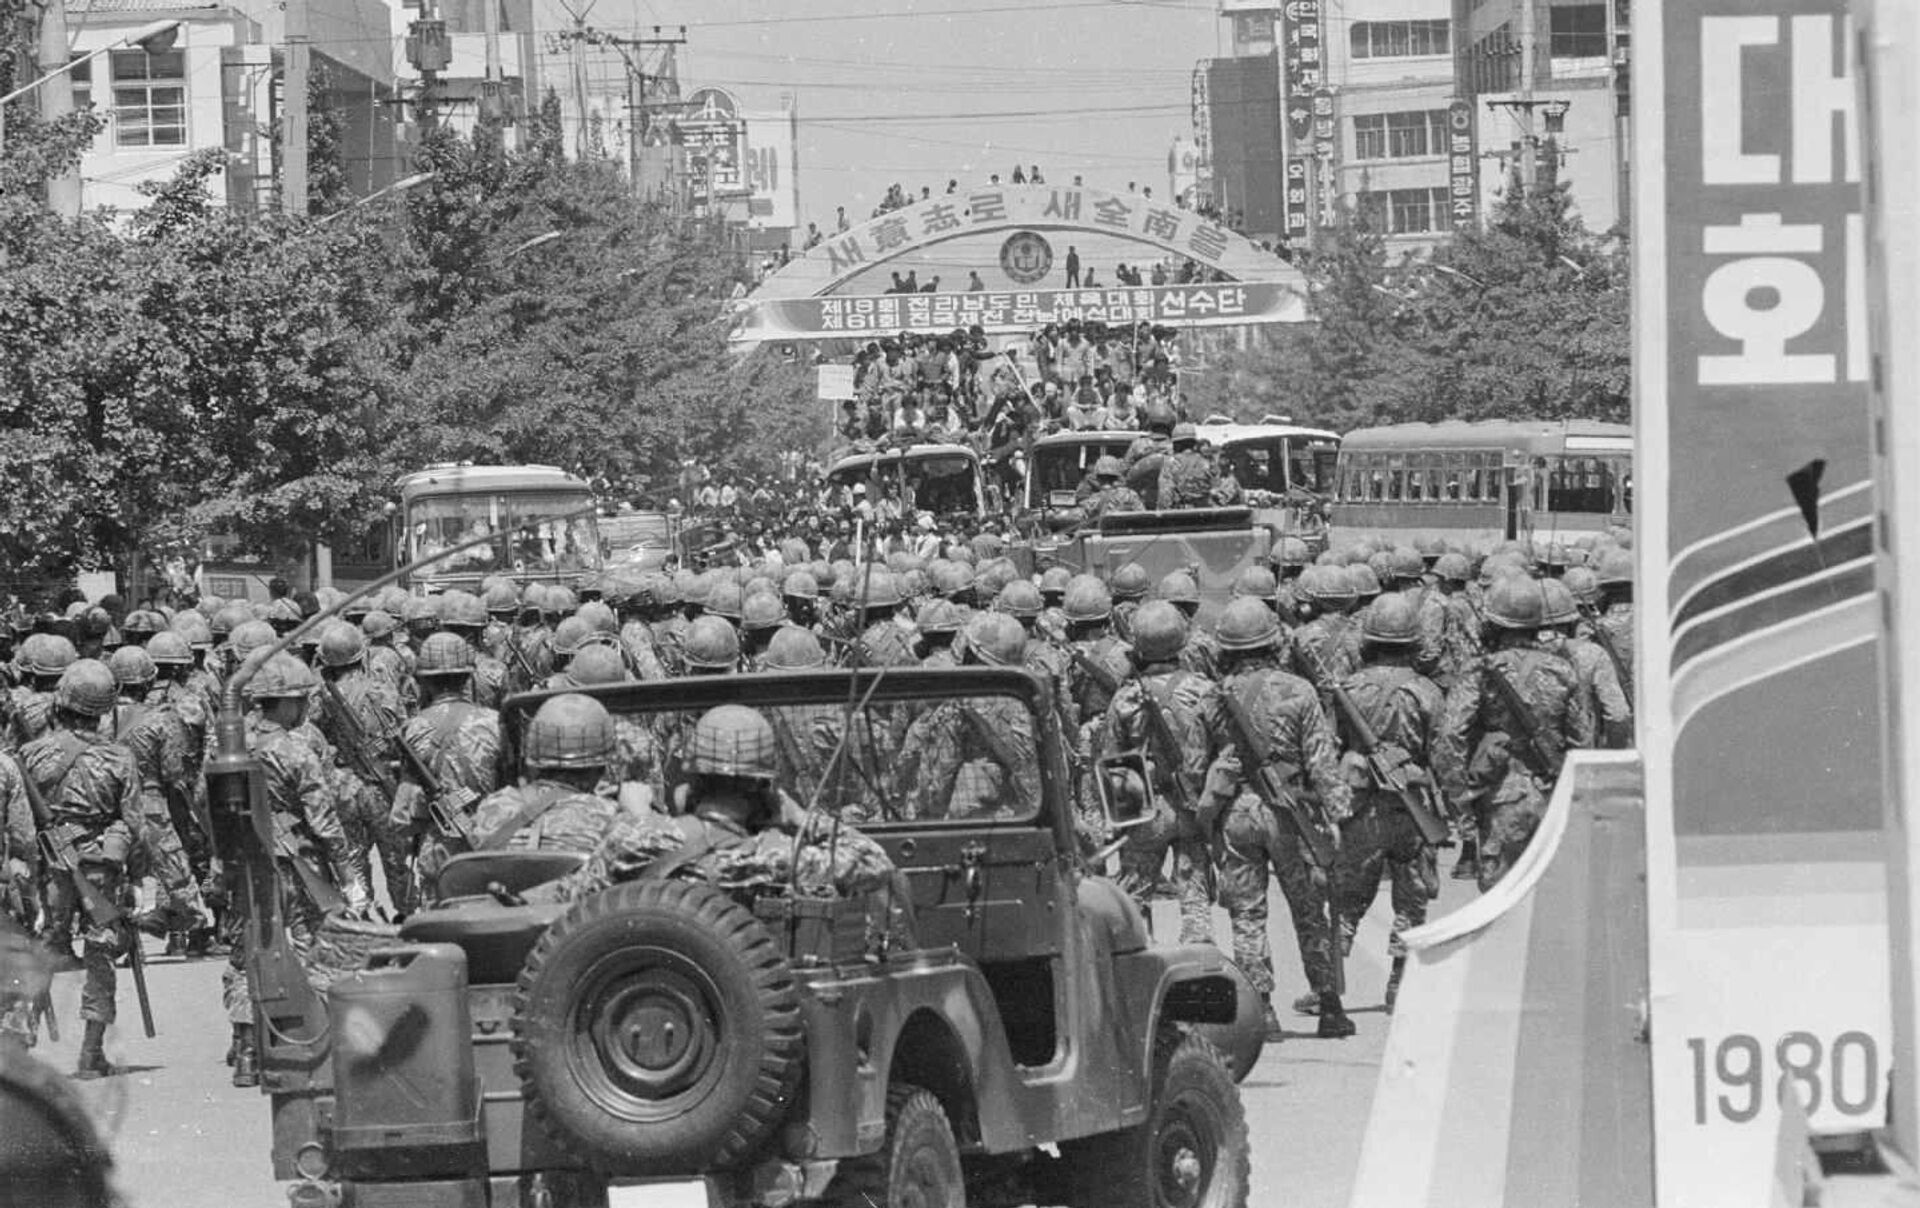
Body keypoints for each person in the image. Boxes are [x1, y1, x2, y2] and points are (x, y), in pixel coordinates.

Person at [543, 705, 895, 902]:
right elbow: (875, 862)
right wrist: (801, 817)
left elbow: (569, 899)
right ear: (765, 789)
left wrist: (639, 818)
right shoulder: (774, 860)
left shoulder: (634, 842)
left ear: (693, 781)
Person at [227, 653, 372, 1087]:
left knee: (246, 952)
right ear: (287, 703)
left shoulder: (230, 745)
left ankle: (247, 1050)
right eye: (301, 700)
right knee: (312, 944)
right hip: (296, 864)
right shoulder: (295, 749)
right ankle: (307, 1040)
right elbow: (323, 819)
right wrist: (347, 873)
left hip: (244, 860)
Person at [1212, 597, 1354, 1040]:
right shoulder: (1300, 691)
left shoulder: (1216, 694)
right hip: (1291, 812)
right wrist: (1338, 814)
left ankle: (1264, 1011)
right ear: (1274, 641)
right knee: (1310, 910)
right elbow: (1322, 764)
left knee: (1248, 916)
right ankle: (1329, 1006)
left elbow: (1204, 763)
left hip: (1238, 810)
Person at [1435, 577, 1595, 890]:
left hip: (1499, 797)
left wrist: (1460, 798)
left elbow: (1451, 735)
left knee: (1499, 903)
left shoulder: (1479, 670)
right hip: (1552, 796)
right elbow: (1582, 740)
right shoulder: (1561, 669)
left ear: (1493, 624)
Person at [1328, 592, 1445, 1014]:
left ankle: (1328, 991)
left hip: (1363, 811)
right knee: (1411, 902)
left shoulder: (1351, 689)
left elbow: (1329, 746)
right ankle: (1400, 983)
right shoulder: (1426, 690)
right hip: (1412, 807)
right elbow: (1443, 753)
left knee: (1345, 901)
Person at [1100, 601, 1235, 940]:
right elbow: (1227, 751)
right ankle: (1199, 958)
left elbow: (1112, 762)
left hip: (1146, 809)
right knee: (1195, 895)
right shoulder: (1205, 690)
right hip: (1196, 806)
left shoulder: (1126, 698)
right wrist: (1212, 802)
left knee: (1134, 899)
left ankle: (1140, 960)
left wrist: (1119, 824)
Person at [389, 633, 505, 892]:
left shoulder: (414, 727)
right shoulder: (494, 722)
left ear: (425, 681)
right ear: (468, 676)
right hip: (493, 840)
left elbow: (405, 810)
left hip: (440, 850)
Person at [312, 622, 411, 914]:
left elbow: (314, 740)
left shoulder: (320, 697)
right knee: (395, 859)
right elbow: (402, 737)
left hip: (343, 787)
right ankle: (406, 917)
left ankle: (361, 917)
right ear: (361, 655)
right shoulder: (383, 691)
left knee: (353, 857)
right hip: (382, 786)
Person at [471, 694, 624, 854]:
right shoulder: (610, 818)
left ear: (532, 763)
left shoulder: (492, 807)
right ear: (601, 768)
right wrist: (640, 812)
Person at [1156, 423, 1217, 509]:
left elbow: (1165, 496)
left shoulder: (1171, 463)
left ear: (1176, 445)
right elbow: (1216, 491)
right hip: (1205, 515)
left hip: (1181, 516)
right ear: (1194, 444)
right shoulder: (1206, 462)